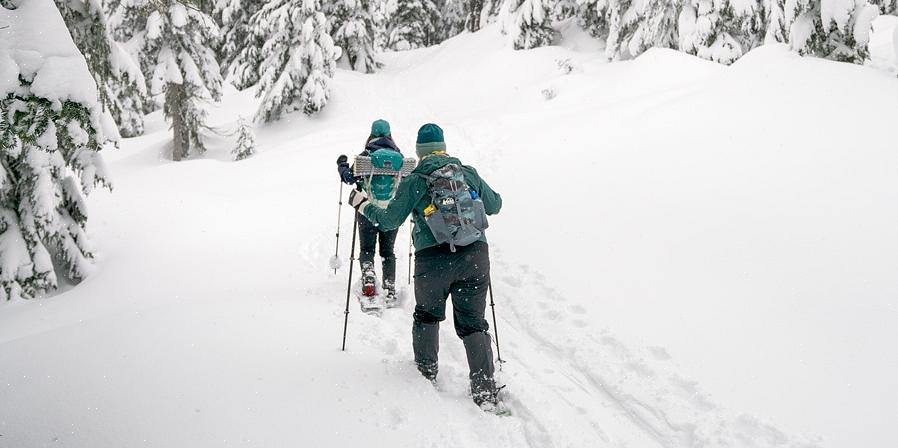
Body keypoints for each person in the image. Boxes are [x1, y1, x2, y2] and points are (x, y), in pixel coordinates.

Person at [347, 123, 504, 410]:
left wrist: (362, 204)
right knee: (473, 324)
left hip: (433, 260)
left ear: (420, 152)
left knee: (428, 316)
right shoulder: (466, 172)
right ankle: (484, 390)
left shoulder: (416, 179)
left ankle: (425, 373)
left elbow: (389, 221)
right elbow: (496, 204)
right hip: (475, 257)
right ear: (443, 147)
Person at [337, 119, 402, 305]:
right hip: (390, 212)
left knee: (367, 249)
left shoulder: (365, 156)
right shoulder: (399, 158)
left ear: (372, 135)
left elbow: (348, 178)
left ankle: (369, 278)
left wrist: (342, 165)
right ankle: (389, 287)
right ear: (389, 135)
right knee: (388, 252)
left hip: (367, 210)